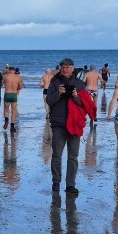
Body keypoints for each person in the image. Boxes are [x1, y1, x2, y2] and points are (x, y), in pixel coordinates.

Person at [44, 58, 90, 194]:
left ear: (73, 68)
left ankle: (70, 184)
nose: (65, 69)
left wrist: (75, 96)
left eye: (68, 67)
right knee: (57, 155)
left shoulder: (80, 84)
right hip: (58, 124)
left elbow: (85, 103)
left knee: (73, 156)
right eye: (63, 67)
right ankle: (56, 182)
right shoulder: (55, 82)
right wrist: (59, 93)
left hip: (75, 124)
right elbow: (49, 101)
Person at [2, 66, 23, 135]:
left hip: (7, 94)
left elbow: (1, 84)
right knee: (14, 111)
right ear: (14, 71)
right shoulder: (18, 77)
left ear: (9, 70)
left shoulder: (6, 76)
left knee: (6, 109)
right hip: (14, 95)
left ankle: (6, 120)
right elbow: (20, 87)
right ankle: (12, 126)